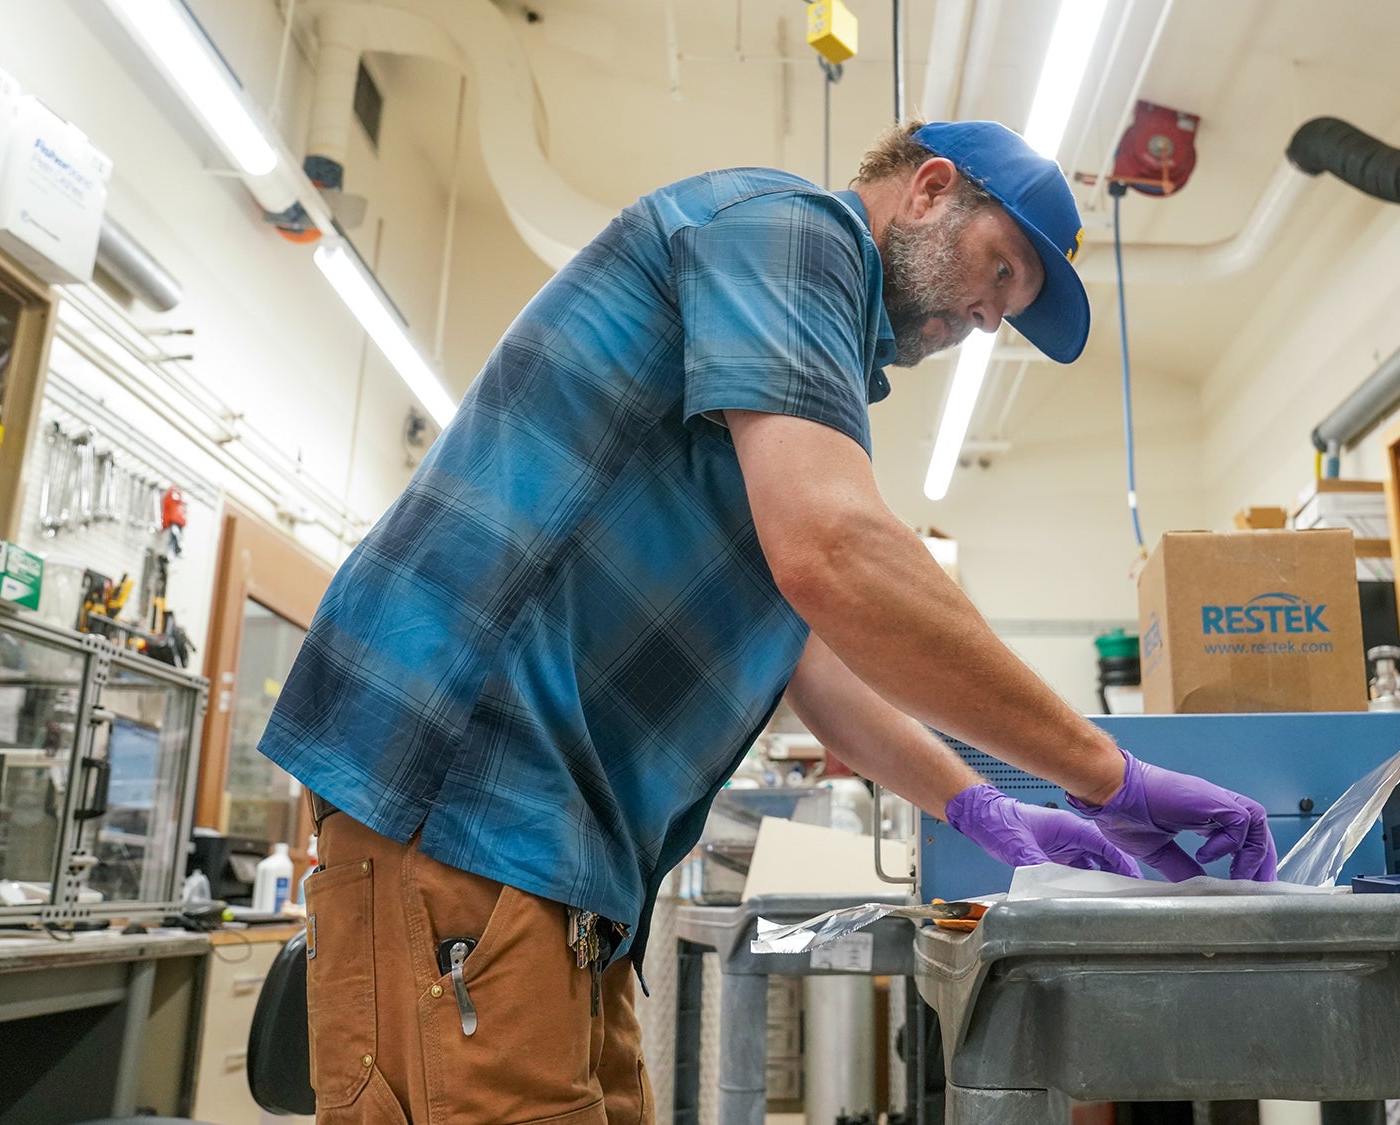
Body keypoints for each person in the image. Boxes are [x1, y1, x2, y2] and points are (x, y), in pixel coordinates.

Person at [259, 119, 1276, 1125]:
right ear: (927, 190)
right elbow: (834, 554)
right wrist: (1108, 777)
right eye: (999, 270)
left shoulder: (780, 376)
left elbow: (815, 667)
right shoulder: (794, 232)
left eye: (1009, 305)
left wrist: (980, 808)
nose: (987, 317)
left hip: (562, 851)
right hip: (466, 796)